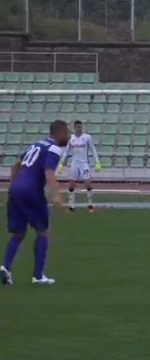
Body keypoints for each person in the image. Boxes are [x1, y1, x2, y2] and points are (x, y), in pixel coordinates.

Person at [1, 120, 70, 286]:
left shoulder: (36, 144)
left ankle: (5, 268)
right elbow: (49, 173)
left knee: (19, 232)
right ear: (59, 132)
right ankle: (38, 276)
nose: (68, 137)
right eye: (67, 133)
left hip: (17, 189)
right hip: (31, 190)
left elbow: (16, 166)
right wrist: (56, 196)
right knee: (43, 231)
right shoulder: (54, 148)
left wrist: (10, 189)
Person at [59, 120, 102, 212]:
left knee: (87, 184)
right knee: (71, 185)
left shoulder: (87, 137)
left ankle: (90, 204)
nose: (79, 128)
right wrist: (61, 163)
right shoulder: (71, 138)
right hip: (74, 163)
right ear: (74, 128)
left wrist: (97, 162)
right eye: (78, 127)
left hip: (84, 163)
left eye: (80, 127)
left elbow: (93, 149)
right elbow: (66, 151)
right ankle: (71, 206)